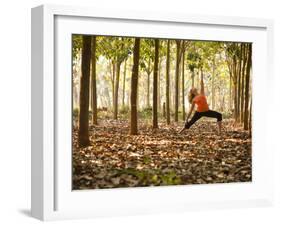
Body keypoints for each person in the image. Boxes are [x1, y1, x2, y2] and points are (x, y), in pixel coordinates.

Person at [179, 70, 222, 134]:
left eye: (194, 87)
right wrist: (187, 119)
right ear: (192, 92)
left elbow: (202, 84)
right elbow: (191, 110)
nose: (194, 88)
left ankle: (219, 132)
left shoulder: (201, 93)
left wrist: (201, 73)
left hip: (207, 111)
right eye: (192, 88)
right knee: (191, 122)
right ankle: (181, 131)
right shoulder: (194, 99)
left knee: (219, 115)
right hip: (199, 113)